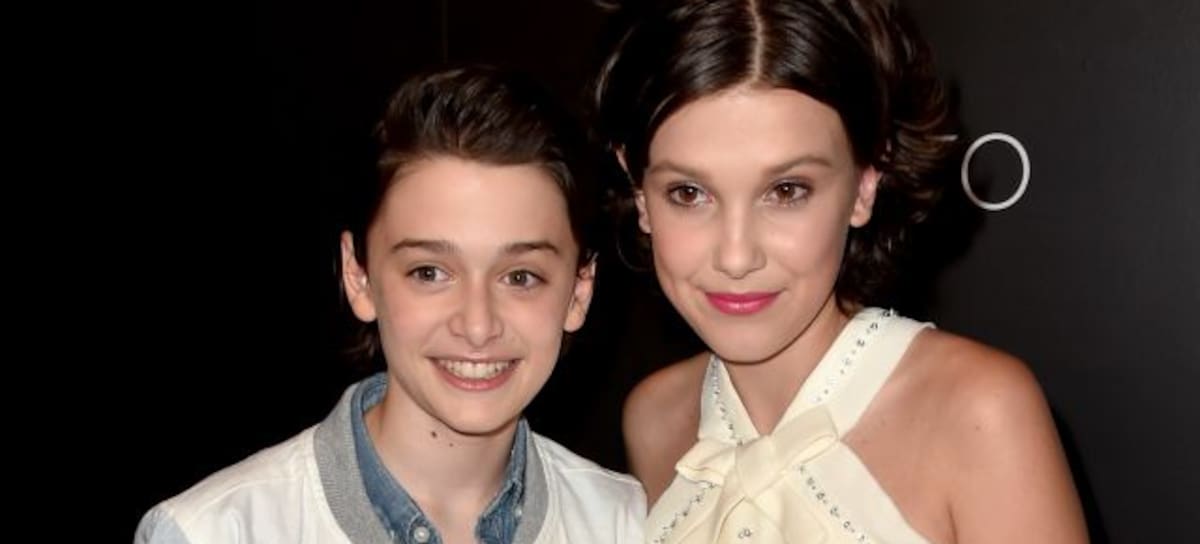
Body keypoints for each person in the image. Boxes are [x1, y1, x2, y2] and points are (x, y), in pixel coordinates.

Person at [593, 1, 1087, 542]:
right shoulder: (654, 417)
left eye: (786, 191)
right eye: (689, 193)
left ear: (865, 184)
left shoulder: (979, 410)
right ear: (638, 191)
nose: (735, 256)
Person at [136, 66, 646, 543]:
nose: (477, 325)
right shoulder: (216, 532)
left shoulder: (624, 524)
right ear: (357, 275)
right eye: (429, 273)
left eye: (520, 277)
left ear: (580, 290)